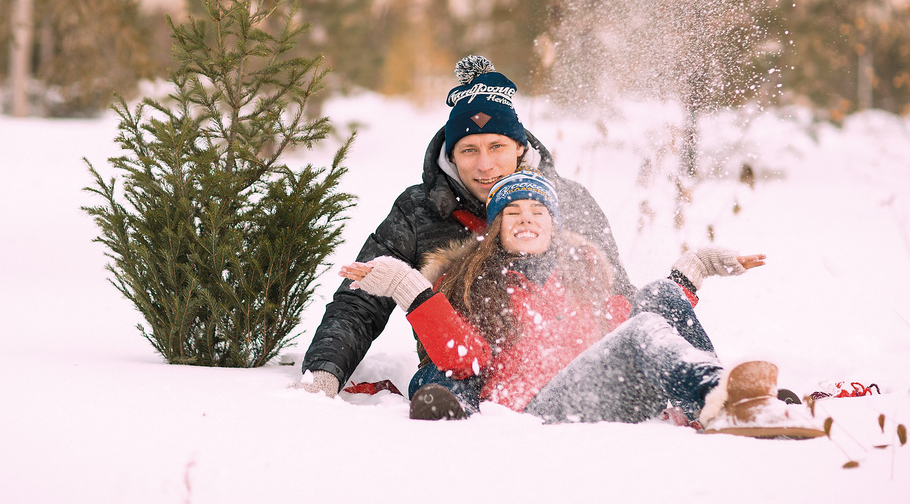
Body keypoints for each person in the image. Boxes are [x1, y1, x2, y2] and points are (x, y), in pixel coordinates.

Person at [339, 171, 824, 438]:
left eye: (537, 213)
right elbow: (463, 360)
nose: (526, 220)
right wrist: (408, 286)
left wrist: (691, 271)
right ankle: (721, 399)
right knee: (638, 333)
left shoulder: (585, 278)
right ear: (496, 229)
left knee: (649, 307)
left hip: (606, 393)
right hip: (541, 408)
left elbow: (644, 320)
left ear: (553, 225)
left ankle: (726, 400)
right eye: (512, 213)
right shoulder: (473, 285)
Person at [295, 55, 638, 398]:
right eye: (469, 149)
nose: (485, 164)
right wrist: (325, 372)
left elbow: (616, 293)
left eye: (497, 146)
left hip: (561, 368)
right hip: (453, 366)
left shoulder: (568, 201)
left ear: (520, 148)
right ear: (451, 154)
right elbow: (360, 303)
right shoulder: (420, 210)